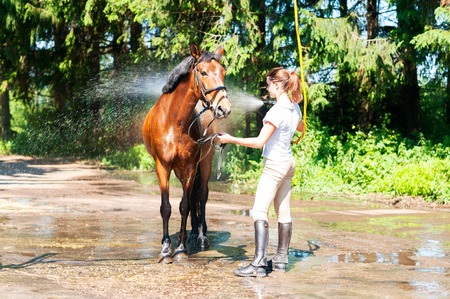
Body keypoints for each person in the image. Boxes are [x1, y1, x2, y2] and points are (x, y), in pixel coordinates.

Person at [217, 67, 304, 278]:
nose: (266, 87)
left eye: (268, 84)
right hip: (289, 164)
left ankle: (258, 264)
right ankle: (282, 260)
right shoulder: (293, 108)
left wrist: (231, 139)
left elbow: (259, 142)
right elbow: (301, 129)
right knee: (283, 212)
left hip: (274, 165)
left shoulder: (276, 112)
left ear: (276, 84)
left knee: (259, 211)